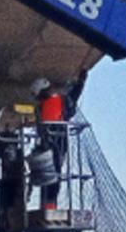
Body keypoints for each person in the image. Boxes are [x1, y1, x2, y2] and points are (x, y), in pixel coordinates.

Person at [30, 70, 87, 210]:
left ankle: (47, 205)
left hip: (46, 144)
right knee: (54, 176)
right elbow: (72, 99)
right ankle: (49, 206)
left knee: (47, 176)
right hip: (58, 142)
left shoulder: (40, 107)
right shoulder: (57, 102)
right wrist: (81, 83)